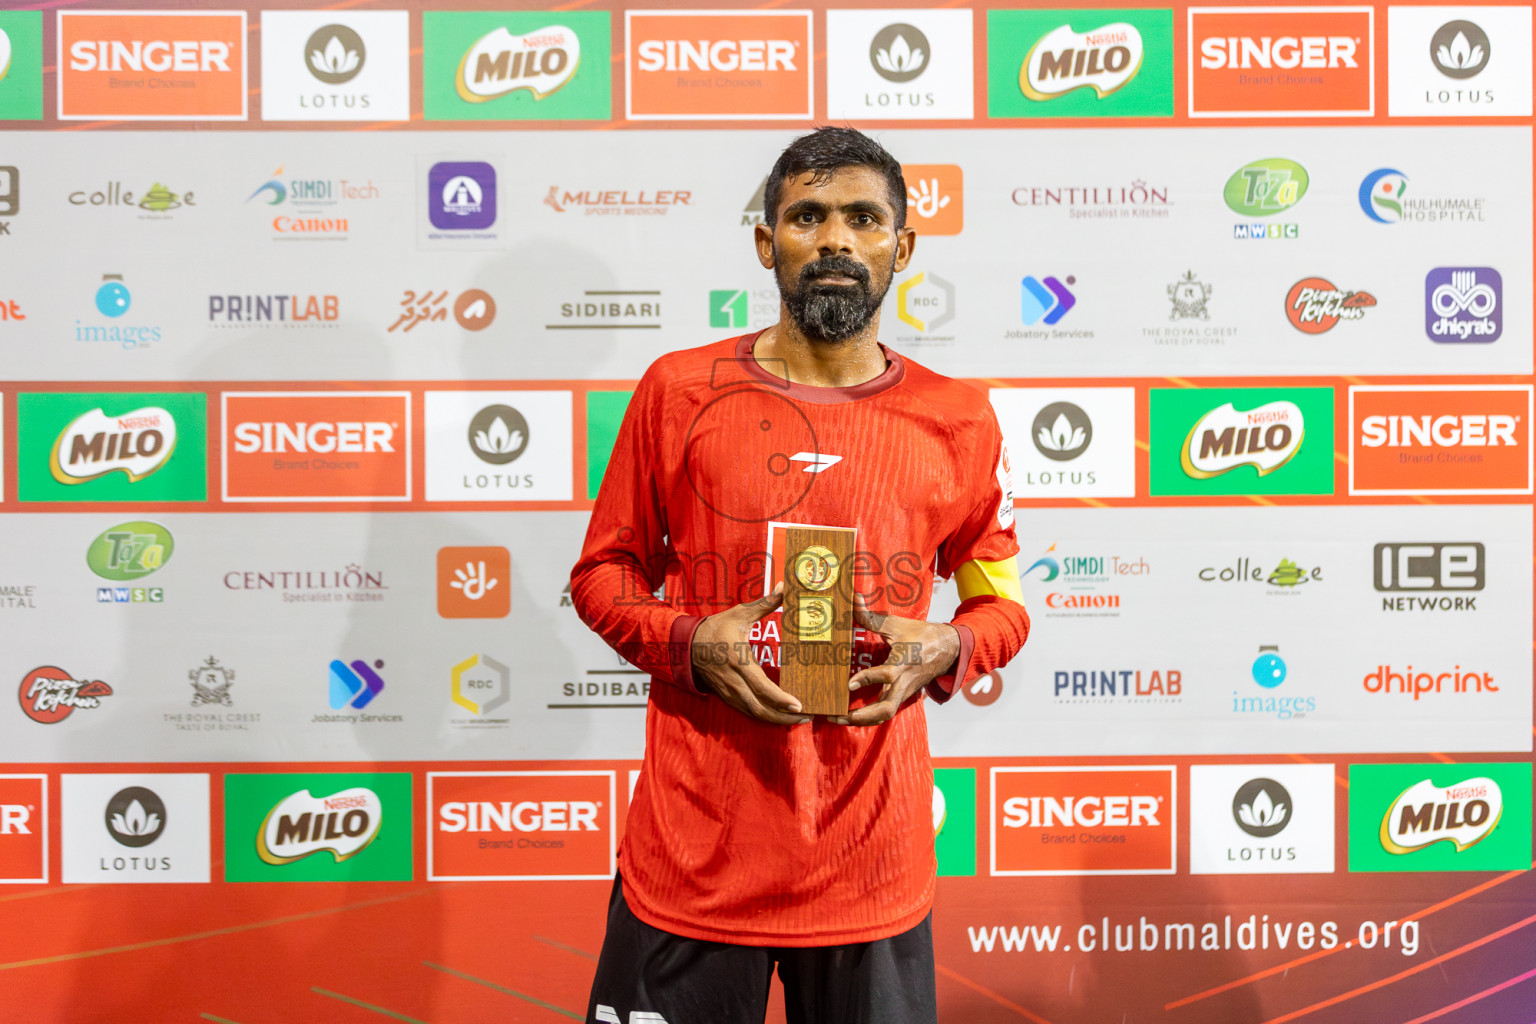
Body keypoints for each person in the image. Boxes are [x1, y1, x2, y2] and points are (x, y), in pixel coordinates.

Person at [569, 126, 1031, 1024]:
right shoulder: (679, 391)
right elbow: (604, 574)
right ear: (764, 242)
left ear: (900, 247)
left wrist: (947, 643)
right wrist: (690, 637)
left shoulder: (959, 418)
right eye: (806, 217)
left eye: (862, 218)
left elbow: (998, 604)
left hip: (872, 866)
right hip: (694, 859)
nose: (834, 241)